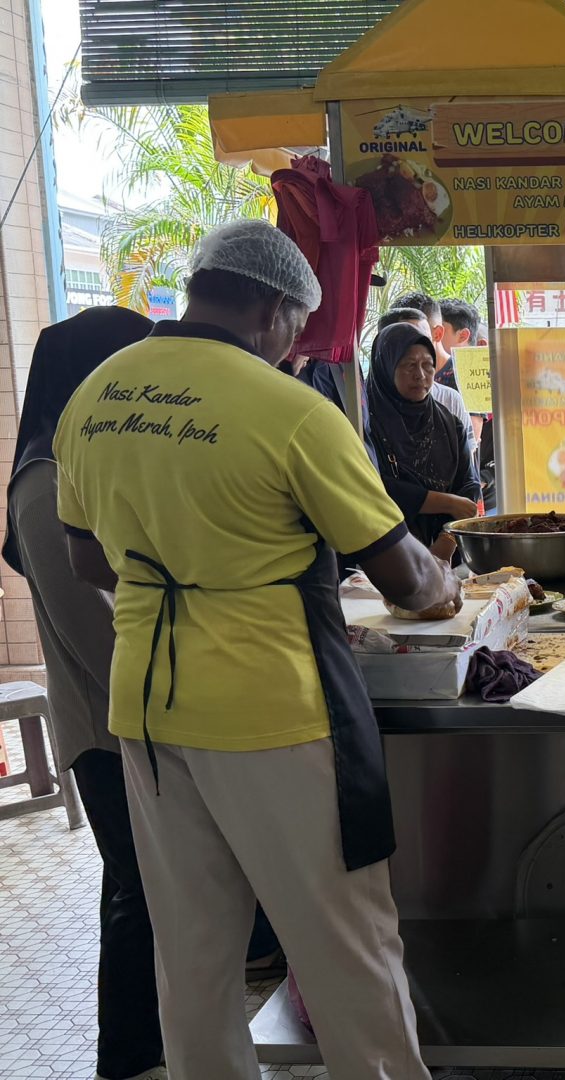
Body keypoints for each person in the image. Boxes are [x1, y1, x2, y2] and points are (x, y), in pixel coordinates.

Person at [54, 220, 459, 1080]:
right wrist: (449, 588)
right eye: (296, 331)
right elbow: (408, 581)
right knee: (347, 944)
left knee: (194, 954)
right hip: (274, 713)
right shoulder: (289, 410)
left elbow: (88, 558)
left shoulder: (96, 395)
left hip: (149, 711)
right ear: (276, 309)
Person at [3, 307, 167, 1080]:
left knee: (144, 889)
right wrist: (176, 703)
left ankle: (144, 1050)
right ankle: (131, 1060)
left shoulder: (84, 462)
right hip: (110, 724)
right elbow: (95, 630)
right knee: (138, 893)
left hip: (133, 714)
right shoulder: (43, 482)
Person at [367, 322, 482, 559]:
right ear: (386, 367)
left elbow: (468, 486)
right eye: (409, 365)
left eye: (428, 365)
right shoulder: (365, 422)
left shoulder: (448, 423)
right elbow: (374, 487)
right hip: (386, 557)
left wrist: (447, 540)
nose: (420, 375)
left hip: (448, 555)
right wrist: (446, 502)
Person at [379, 306, 478, 482]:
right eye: (408, 362)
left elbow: (468, 475)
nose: (420, 375)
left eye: (423, 340)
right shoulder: (366, 414)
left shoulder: (449, 407)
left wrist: (461, 503)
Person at [440, 298, 497, 513]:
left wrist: (484, 477)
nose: (432, 334)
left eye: (440, 329)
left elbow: (474, 435)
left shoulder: (469, 372)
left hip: (482, 491)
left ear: (463, 335)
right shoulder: (432, 372)